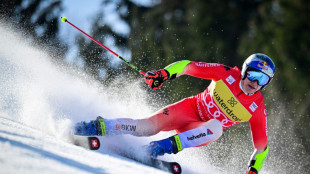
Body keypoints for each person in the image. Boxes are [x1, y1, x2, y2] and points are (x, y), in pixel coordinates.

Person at [75, 53, 275, 174]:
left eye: (263, 80)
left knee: (216, 128)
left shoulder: (256, 108)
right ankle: (97, 126)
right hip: (188, 110)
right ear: (244, 70)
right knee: (145, 127)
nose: (255, 82)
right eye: (253, 74)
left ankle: (156, 149)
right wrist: (164, 74)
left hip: (200, 130)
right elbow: (188, 66)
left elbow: (261, 148)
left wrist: (253, 171)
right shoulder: (225, 73)